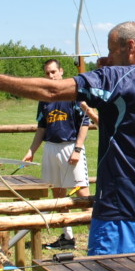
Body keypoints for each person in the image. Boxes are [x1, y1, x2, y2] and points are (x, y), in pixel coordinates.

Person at [0, 21, 135, 256]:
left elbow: (52, 91)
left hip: (119, 209)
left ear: (130, 46)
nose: (107, 56)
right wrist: (115, 64)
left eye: (111, 50)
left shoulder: (116, 78)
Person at [22, 58, 91, 249]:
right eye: (47, 73)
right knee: (58, 193)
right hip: (51, 147)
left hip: (70, 146)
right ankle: (67, 236)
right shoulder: (45, 98)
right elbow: (41, 128)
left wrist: (77, 148)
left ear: (61, 71)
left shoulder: (73, 94)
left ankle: (97, 234)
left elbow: (85, 123)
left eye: (53, 72)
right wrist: (31, 151)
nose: (51, 76)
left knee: (82, 191)